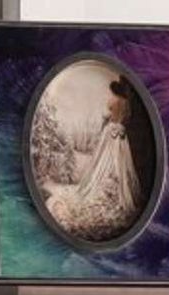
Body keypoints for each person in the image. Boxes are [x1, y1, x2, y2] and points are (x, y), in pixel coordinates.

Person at [47, 76, 142, 241]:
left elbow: (110, 111)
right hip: (121, 134)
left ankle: (107, 183)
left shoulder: (114, 101)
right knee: (118, 162)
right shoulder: (126, 104)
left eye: (112, 91)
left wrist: (111, 120)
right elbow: (124, 117)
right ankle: (115, 183)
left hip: (112, 131)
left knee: (105, 161)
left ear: (115, 91)